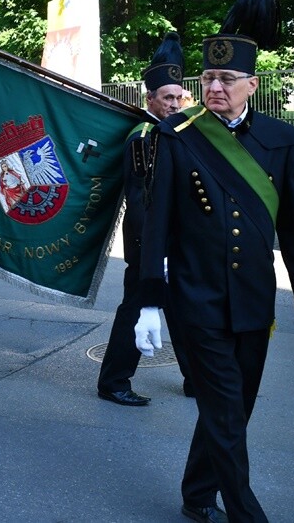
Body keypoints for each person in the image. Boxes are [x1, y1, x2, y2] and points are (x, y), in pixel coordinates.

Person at [135, 0, 294, 523]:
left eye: (226, 78)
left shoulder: (278, 139)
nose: (214, 88)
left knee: (233, 408)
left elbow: (293, 225)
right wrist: (150, 300)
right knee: (222, 408)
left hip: (251, 300)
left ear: (251, 84)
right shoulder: (176, 138)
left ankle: (196, 493)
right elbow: (157, 225)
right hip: (196, 301)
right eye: (208, 77)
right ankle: (245, 512)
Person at [97, 31, 190, 406]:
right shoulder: (144, 136)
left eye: (178, 96)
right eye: (166, 97)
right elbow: (140, 199)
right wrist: (157, 246)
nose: (173, 103)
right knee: (136, 307)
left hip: (174, 239)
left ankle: (196, 377)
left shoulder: (175, 131)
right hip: (148, 239)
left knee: (184, 307)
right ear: (148, 99)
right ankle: (114, 381)